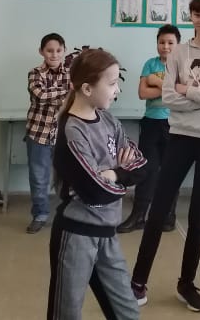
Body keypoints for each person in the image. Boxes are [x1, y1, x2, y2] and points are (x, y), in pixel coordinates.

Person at [130, 0, 200, 312]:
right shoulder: (179, 51)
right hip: (180, 137)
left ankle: (186, 283)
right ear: (190, 16)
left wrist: (185, 90)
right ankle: (138, 282)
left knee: (198, 216)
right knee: (158, 209)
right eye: (197, 14)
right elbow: (167, 97)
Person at [49, 49, 148, 319]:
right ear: (87, 88)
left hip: (107, 233)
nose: (117, 90)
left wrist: (113, 174)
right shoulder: (72, 131)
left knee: (127, 312)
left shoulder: (107, 120)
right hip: (76, 236)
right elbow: (95, 191)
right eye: (112, 83)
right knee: (66, 313)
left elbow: (141, 166)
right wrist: (119, 175)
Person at [118, 24, 180, 233]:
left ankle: (168, 216)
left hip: (174, 125)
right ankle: (138, 216)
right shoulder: (150, 64)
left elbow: (180, 94)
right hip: (151, 124)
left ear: (178, 45)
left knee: (171, 172)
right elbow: (143, 93)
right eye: (162, 42)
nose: (165, 46)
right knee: (146, 170)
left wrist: (156, 81)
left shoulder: (182, 66)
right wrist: (168, 87)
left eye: (170, 43)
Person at [25, 32, 71, 233]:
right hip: (38, 132)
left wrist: (68, 94)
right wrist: (66, 92)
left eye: (58, 50)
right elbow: (41, 96)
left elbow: (76, 98)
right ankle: (40, 215)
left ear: (64, 51)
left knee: (66, 176)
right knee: (39, 177)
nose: (54, 54)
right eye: (49, 50)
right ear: (41, 52)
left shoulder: (71, 73)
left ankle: (66, 213)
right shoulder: (34, 73)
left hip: (64, 134)